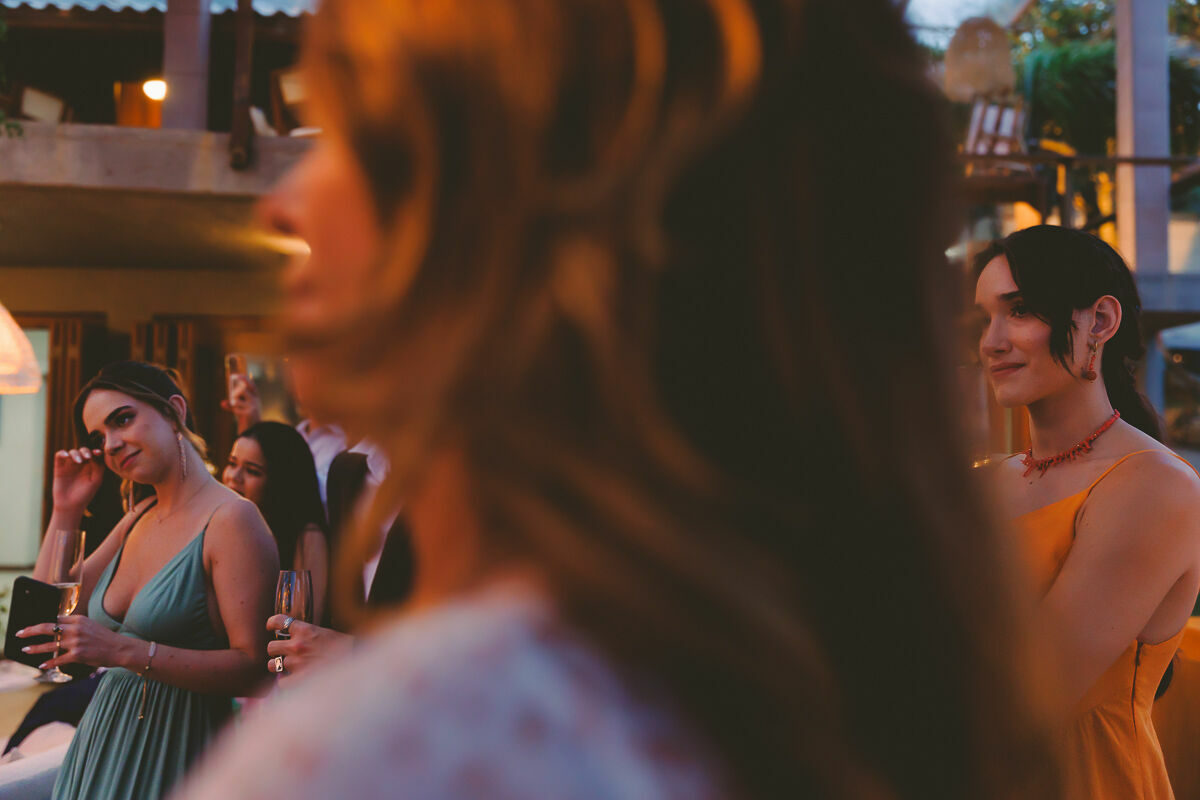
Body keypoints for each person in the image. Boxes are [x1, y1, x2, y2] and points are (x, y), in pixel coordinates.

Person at [177, 1, 1059, 798]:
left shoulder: (406, 751)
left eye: (352, 135)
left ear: (523, 214)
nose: (280, 207)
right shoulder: (850, 690)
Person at [974, 225, 1200, 800]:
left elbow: (1027, 698)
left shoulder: (1154, 486)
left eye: (1019, 310)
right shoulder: (992, 481)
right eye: (984, 319)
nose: (991, 341)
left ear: (1100, 321)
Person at [18, 361, 278, 800]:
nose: (111, 444)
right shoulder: (137, 517)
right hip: (101, 739)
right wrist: (65, 509)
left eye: (122, 419)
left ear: (174, 411)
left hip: (174, 749)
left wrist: (121, 648)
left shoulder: (232, 519)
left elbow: (256, 670)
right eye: (98, 437)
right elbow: (45, 614)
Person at [222, 421, 330, 623]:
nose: (234, 478)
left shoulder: (307, 537)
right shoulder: (224, 525)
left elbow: (302, 625)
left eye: (252, 471)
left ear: (279, 481)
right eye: (232, 463)